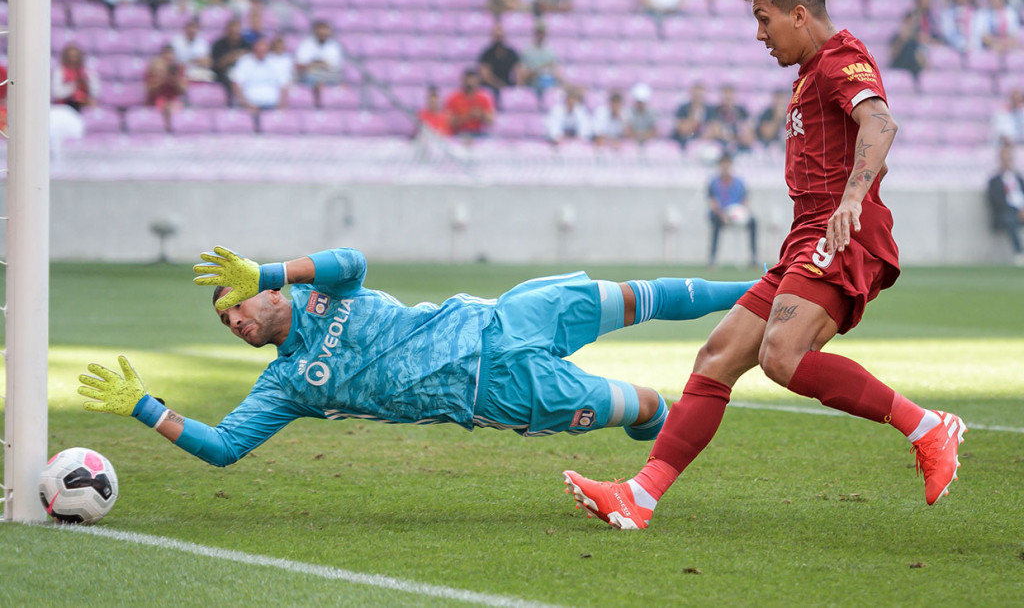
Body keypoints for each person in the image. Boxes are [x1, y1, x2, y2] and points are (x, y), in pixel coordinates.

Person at [563, 0, 966, 530]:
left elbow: (880, 124)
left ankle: (928, 428)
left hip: (842, 231)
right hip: (806, 236)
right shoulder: (808, 72)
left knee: (782, 355)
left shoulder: (841, 59)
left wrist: (853, 198)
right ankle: (640, 496)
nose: (759, 34)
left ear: (799, 14)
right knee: (718, 356)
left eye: (764, 18)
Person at [77, 246, 760, 472]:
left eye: (237, 304)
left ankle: (774, 286)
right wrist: (145, 407)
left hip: (498, 315)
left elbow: (353, 261)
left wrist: (271, 267)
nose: (234, 322)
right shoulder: (285, 383)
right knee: (644, 405)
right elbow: (225, 447)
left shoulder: (321, 286)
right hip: (495, 391)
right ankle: (654, 421)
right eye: (225, 321)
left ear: (269, 289)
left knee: (641, 295)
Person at [707, 153, 758, 267]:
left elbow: (745, 200)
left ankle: (753, 258)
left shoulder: (739, 182)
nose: (725, 168)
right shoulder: (714, 183)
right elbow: (712, 202)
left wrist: (743, 213)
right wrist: (722, 214)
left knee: (753, 222)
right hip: (721, 214)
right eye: (723, 165)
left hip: (737, 213)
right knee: (715, 222)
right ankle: (712, 258)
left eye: (727, 165)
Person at [987, 141, 1024, 266]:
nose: (1007, 162)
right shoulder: (994, 180)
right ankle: (1019, 253)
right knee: (1010, 219)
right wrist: (1016, 211)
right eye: (1004, 159)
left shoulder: (1018, 178)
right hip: (1006, 213)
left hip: (1021, 210)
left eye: (1009, 159)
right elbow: (996, 201)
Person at [229, 36, 290, 112]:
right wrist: (245, 104)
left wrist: (281, 106)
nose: (261, 52)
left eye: (264, 50)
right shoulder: (244, 62)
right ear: (254, 49)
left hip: (272, 105)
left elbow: (284, 85)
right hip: (249, 106)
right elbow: (236, 84)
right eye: (259, 49)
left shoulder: (275, 62)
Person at [295, 20, 345, 107]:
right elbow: (300, 66)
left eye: (325, 30)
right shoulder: (306, 44)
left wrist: (316, 64)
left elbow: (335, 67)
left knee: (339, 80)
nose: (323, 33)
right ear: (315, 31)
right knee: (313, 77)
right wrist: (319, 64)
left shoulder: (334, 46)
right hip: (310, 75)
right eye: (321, 30)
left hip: (328, 75)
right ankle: (318, 104)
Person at [478, 22, 520, 109]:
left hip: (507, 85)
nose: (498, 39)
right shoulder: (487, 54)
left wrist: (517, 86)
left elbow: (518, 72)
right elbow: (486, 76)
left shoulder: (511, 53)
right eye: (496, 36)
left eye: (500, 37)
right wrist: (500, 86)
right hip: (491, 86)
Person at [445, 69, 495, 138]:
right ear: (463, 81)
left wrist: (481, 115)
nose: (470, 83)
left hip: (478, 133)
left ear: (477, 81)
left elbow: (491, 121)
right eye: (468, 81)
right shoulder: (454, 98)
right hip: (459, 134)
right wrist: (468, 115)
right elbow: (450, 122)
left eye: (472, 81)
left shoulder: (483, 98)